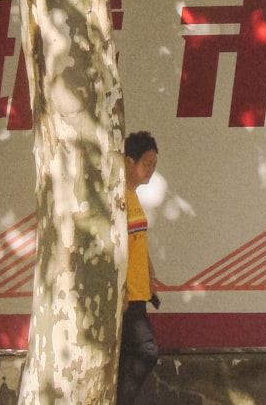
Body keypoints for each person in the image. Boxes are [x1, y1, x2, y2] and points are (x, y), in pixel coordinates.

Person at [117, 130, 161, 405]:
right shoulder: (118, 198)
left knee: (126, 358)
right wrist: (120, 289)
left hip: (139, 292)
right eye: (146, 164)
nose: (151, 172)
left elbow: (136, 242)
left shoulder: (132, 196)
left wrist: (150, 272)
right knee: (146, 350)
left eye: (154, 166)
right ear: (128, 162)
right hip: (127, 297)